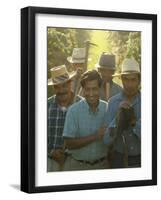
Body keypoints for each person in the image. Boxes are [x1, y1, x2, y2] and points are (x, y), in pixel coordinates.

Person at [63, 70, 109, 171]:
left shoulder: (107, 109)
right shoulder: (73, 111)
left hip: (102, 167)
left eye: (94, 89)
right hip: (77, 167)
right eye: (87, 89)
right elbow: (69, 144)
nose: (91, 93)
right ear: (83, 89)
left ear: (100, 88)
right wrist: (95, 136)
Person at [104, 58, 141, 168]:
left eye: (133, 80)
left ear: (139, 80)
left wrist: (134, 123)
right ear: (121, 80)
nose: (129, 84)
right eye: (126, 79)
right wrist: (117, 118)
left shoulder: (149, 102)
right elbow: (106, 140)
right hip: (118, 159)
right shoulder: (113, 102)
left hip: (143, 158)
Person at [47, 65, 82, 172]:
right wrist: (51, 152)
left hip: (76, 161)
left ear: (70, 83)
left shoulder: (81, 105)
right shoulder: (45, 106)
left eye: (64, 85)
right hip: (50, 160)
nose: (61, 90)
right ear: (53, 88)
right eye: (57, 87)